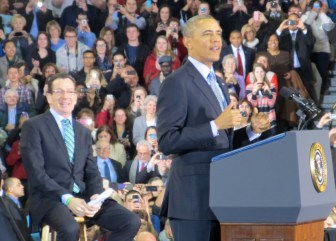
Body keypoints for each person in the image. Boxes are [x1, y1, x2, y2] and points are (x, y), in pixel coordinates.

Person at [156, 15, 270, 241]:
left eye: (218, 33)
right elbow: (167, 140)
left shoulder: (217, 82)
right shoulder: (176, 82)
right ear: (187, 41)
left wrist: (251, 131)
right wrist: (215, 124)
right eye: (207, 34)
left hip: (224, 198)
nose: (216, 39)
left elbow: (222, 141)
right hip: (193, 201)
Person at [20, 73, 140, 241]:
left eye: (70, 92)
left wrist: (96, 195)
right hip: (49, 198)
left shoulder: (83, 131)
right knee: (70, 229)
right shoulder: (34, 126)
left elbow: (91, 171)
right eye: (59, 91)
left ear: (76, 97)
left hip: (83, 198)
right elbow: (36, 173)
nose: (65, 96)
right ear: (48, 96)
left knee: (131, 221)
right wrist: (68, 199)